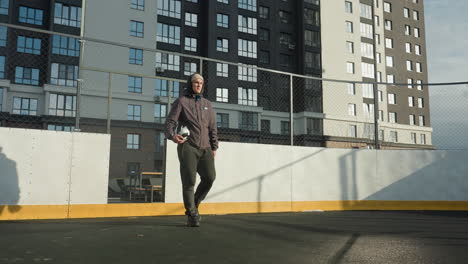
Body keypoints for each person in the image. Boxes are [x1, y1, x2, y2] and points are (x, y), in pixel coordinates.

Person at [165, 73, 218, 227]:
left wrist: (214, 146)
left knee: (210, 177)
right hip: (188, 146)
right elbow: (170, 122)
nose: (198, 85)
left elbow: (212, 127)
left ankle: (192, 205)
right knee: (189, 182)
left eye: (201, 82)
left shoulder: (208, 104)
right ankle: (192, 215)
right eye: (195, 82)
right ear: (190, 83)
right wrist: (172, 136)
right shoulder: (182, 101)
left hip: (206, 147)